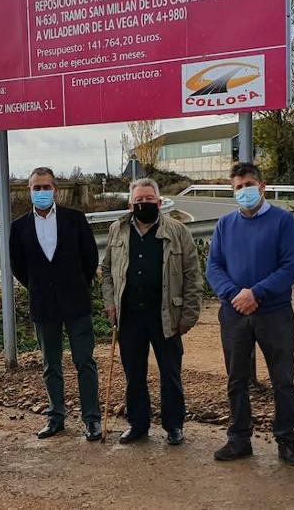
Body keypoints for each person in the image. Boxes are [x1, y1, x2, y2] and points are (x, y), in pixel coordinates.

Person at [206, 162, 294, 466]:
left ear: (262, 187)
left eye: (249, 185)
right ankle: (239, 438)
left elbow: (289, 268)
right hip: (234, 312)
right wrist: (234, 294)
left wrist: (256, 293)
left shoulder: (282, 221)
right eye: (238, 187)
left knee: (283, 379)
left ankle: (287, 441)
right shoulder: (225, 225)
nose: (244, 191)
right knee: (236, 378)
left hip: (273, 312)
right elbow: (214, 267)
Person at [101, 178, 202, 446]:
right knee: (134, 373)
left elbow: (193, 275)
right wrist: (110, 303)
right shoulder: (117, 230)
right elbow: (107, 271)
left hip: (167, 314)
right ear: (130, 203)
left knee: (170, 373)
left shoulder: (178, 231)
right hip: (130, 316)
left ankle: (174, 426)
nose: (143, 204)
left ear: (159, 202)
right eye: (138, 200)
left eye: (149, 200)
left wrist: (189, 315)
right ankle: (138, 424)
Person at [9, 166, 103, 441]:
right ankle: (55, 417)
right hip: (43, 304)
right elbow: (18, 267)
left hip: (76, 302)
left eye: (46, 187)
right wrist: (41, 287)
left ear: (55, 190)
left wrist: (74, 284)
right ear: (29, 191)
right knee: (51, 364)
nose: (41, 192)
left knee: (84, 361)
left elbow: (90, 259)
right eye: (36, 188)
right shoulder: (19, 227)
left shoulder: (75, 220)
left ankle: (92, 419)